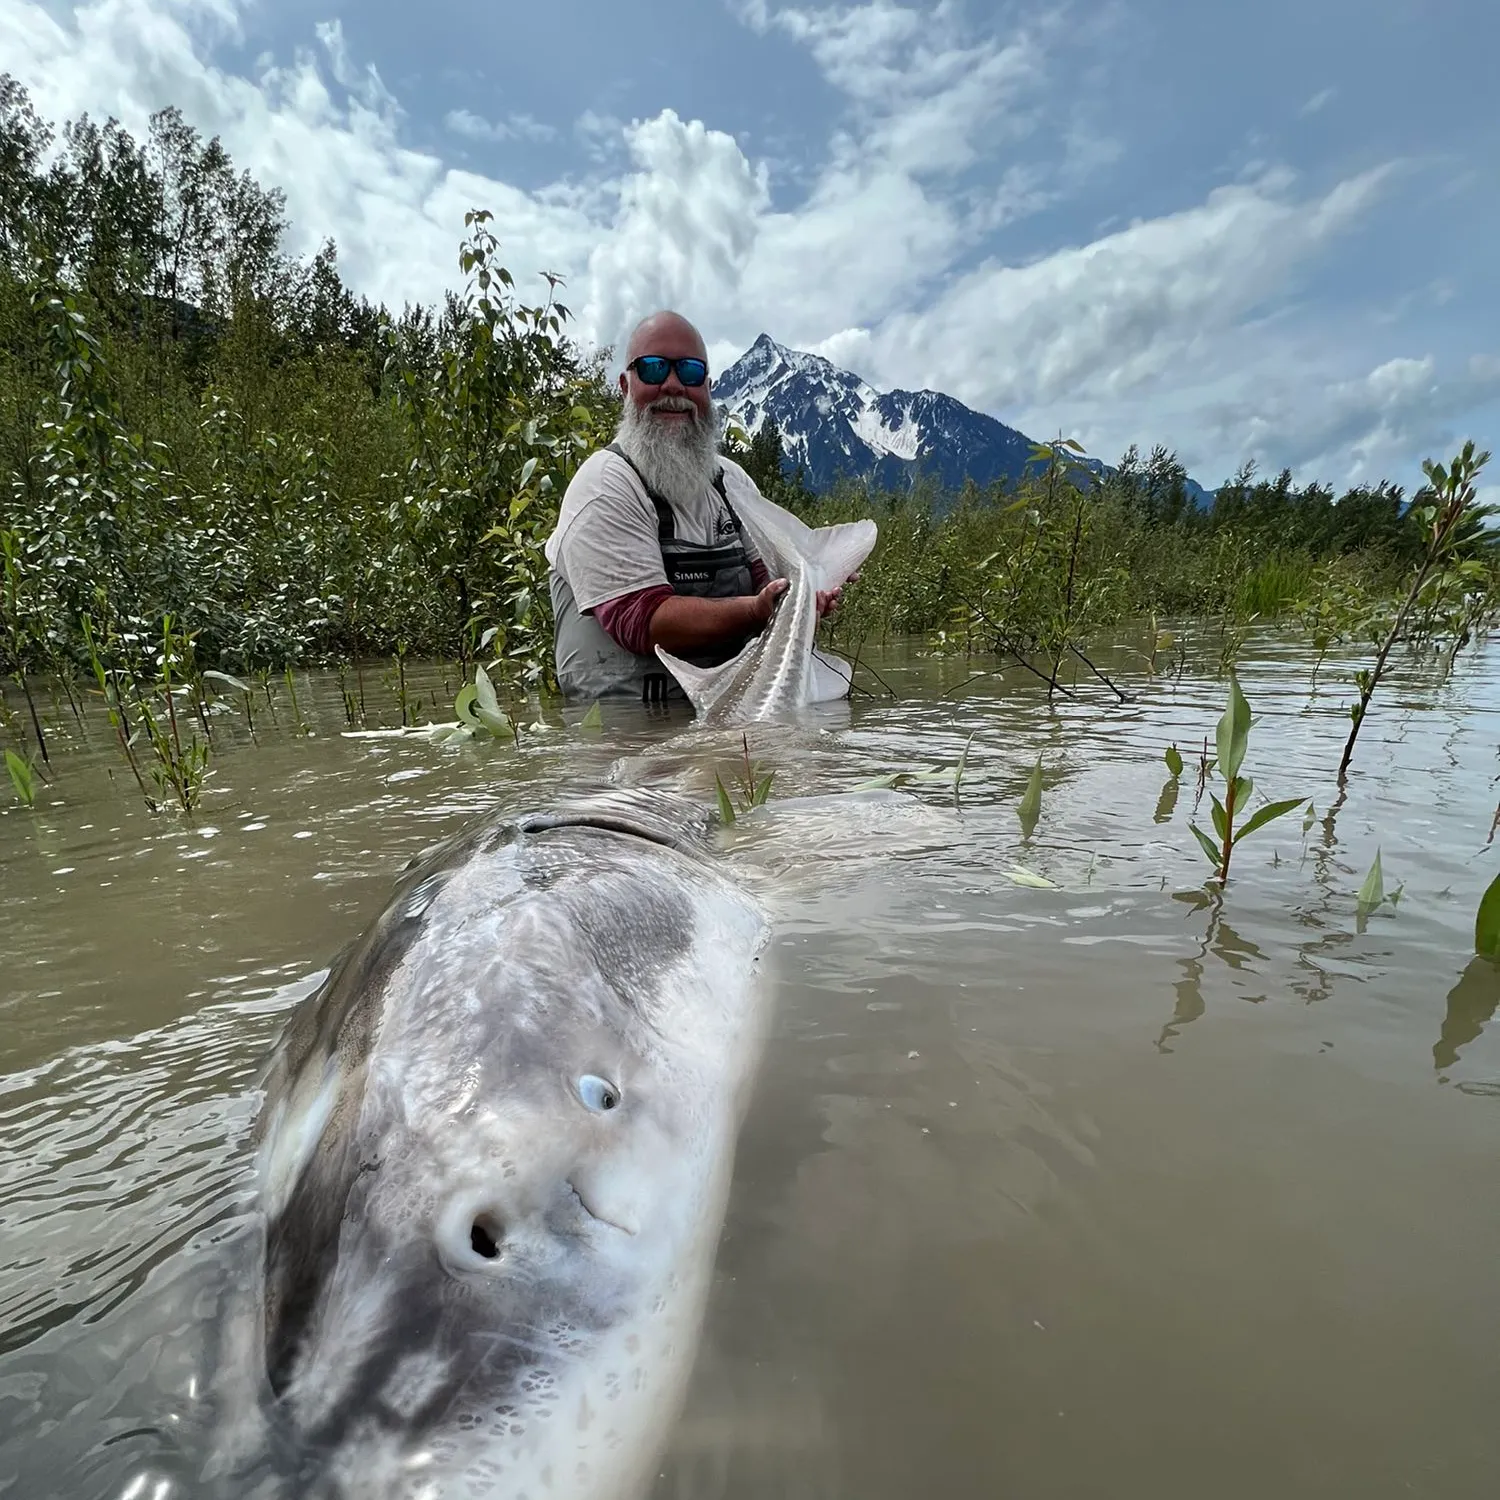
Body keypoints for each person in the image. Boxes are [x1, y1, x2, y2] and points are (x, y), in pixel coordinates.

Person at [544, 310, 843, 702]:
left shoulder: (731, 483)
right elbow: (639, 619)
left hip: (733, 710)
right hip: (622, 734)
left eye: (689, 372)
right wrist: (755, 611)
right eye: (652, 369)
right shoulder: (604, 485)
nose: (673, 385)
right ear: (624, 385)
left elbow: (768, 583)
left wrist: (806, 596)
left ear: (708, 387)